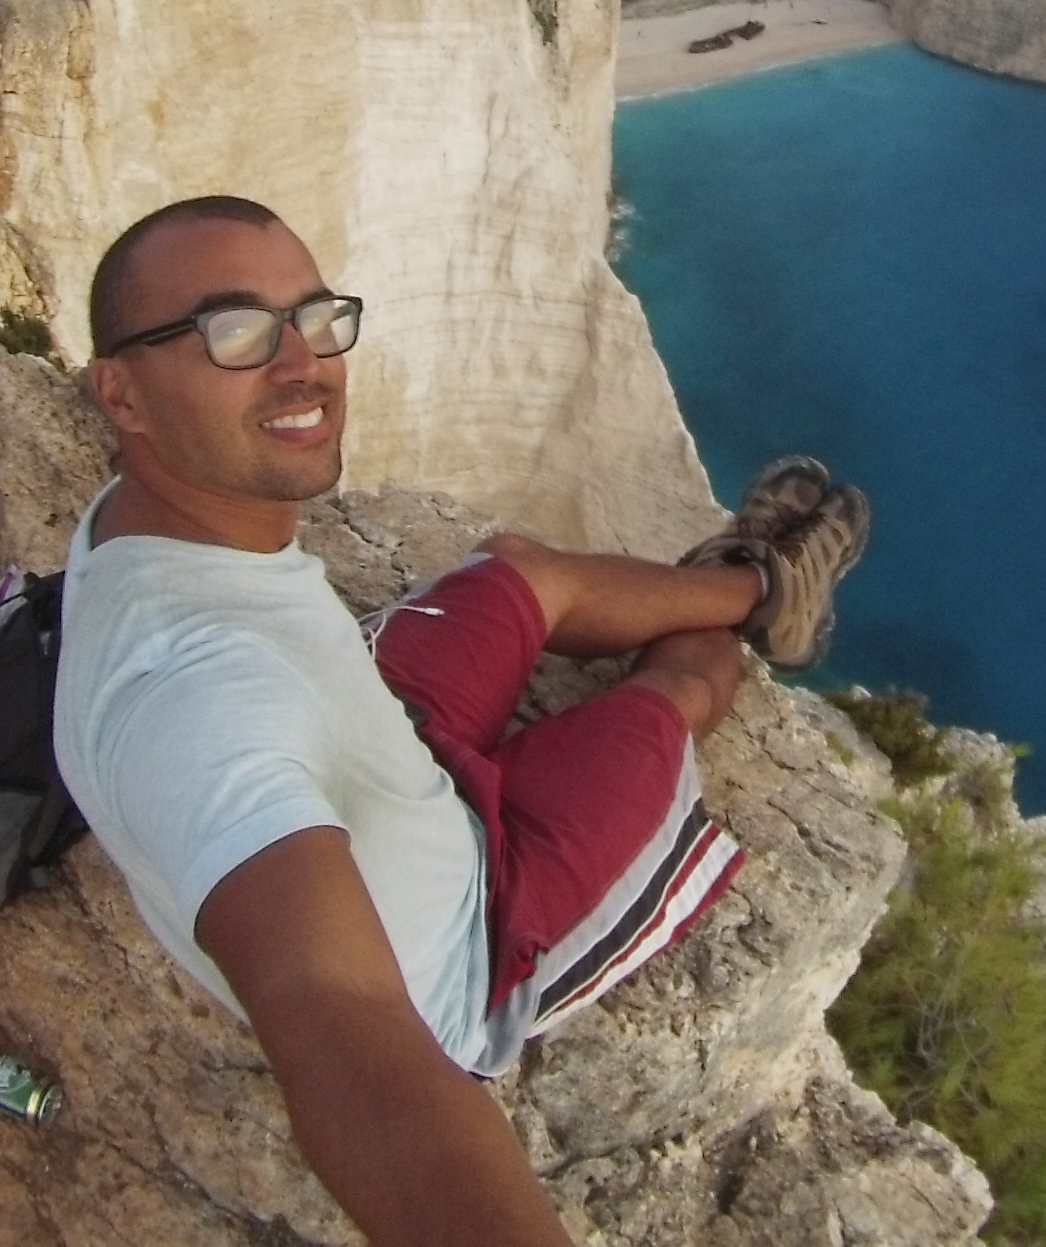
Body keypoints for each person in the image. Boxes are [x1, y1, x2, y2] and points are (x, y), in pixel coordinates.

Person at [52, 194, 868, 1247]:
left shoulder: (151, 534)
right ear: (119, 393)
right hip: (472, 927)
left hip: (373, 735)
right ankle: (746, 615)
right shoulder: (199, 701)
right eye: (235, 331)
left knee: (519, 569)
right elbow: (347, 1030)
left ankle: (761, 582)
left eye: (315, 317)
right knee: (678, 685)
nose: (303, 363)